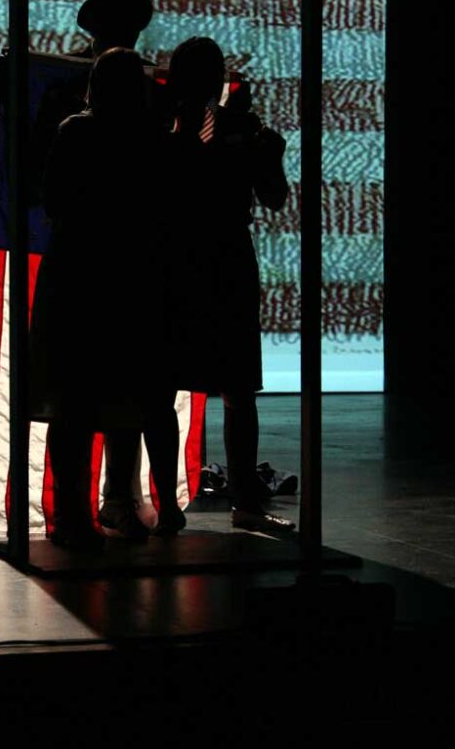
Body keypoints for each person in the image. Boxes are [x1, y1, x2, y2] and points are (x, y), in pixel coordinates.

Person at [29, 48, 178, 549]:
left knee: (72, 404)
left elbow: (51, 200)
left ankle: (71, 514)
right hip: (133, 281)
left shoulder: (76, 131)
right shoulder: (154, 138)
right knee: (126, 397)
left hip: (77, 277)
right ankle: (120, 503)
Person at [165, 36, 295, 535]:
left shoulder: (242, 130)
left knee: (233, 386)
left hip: (205, 261)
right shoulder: (165, 131)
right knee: (201, 387)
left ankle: (233, 499)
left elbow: (274, 194)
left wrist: (270, 155)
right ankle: (194, 499)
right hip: (198, 260)